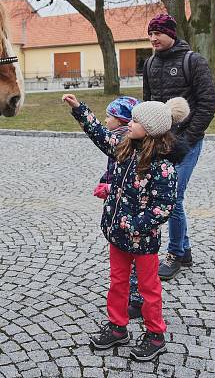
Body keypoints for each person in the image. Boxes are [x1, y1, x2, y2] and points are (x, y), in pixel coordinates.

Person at [63, 92, 189, 361]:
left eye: (135, 121)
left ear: (151, 130)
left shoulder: (163, 166)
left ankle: (155, 335)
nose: (128, 124)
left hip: (142, 241)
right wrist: (78, 109)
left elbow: (163, 207)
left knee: (148, 289)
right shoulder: (124, 147)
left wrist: (135, 224)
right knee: (118, 282)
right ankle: (118, 326)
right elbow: (99, 133)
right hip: (117, 235)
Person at [142, 13, 215, 280]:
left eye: (158, 33)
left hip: (187, 143)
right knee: (166, 195)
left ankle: (174, 253)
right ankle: (183, 251)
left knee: (173, 197)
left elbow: (208, 103)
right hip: (160, 144)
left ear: (171, 34)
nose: (153, 38)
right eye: (150, 34)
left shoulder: (193, 61)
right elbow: (147, 103)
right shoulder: (150, 63)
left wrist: (188, 138)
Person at [92, 96, 146, 320]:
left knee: (132, 257)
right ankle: (130, 295)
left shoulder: (125, 142)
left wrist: (109, 186)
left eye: (109, 116)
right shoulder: (120, 137)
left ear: (122, 119)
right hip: (119, 208)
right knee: (125, 256)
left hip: (131, 212)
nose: (106, 120)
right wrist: (105, 180)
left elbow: (126, 176)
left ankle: (137, 299)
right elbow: (113, 169)